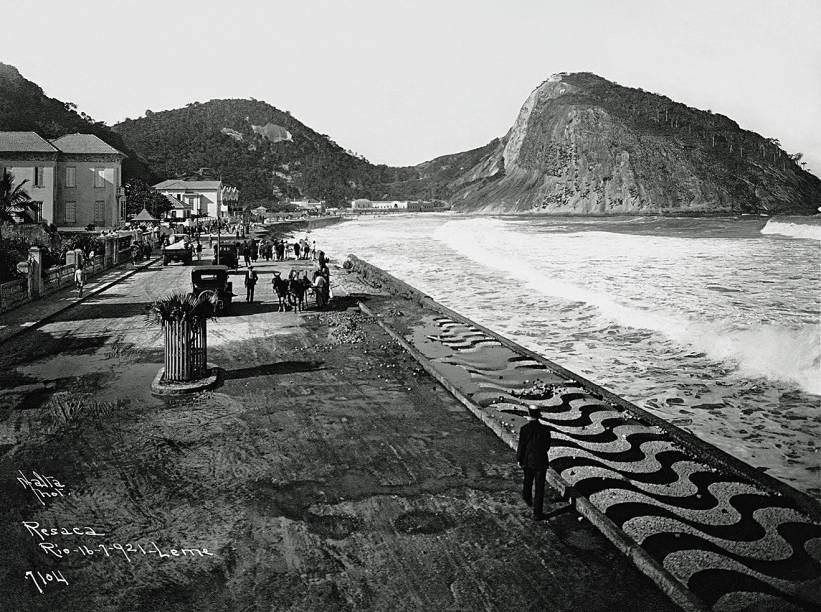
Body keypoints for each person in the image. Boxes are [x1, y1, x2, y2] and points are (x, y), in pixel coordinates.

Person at [517, 405, 551, 520]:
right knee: (539, 488)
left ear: (529, 414)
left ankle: (527, 499)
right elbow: (547, 447)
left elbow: (521, 446)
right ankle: (537, 513)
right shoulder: (545, 430)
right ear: (539, 415)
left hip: (528, 460)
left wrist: (519, 459)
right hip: (541, 461)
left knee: (527, 481)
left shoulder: (524, 429)